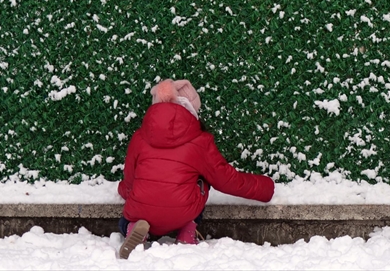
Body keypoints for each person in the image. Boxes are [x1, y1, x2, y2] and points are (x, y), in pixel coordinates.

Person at [116, 78, 274, 259]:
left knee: (126, 218)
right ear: (191, 109)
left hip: (142, 210)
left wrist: (125, 192)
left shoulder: (139, 137)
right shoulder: (200, 140)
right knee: (203, 180)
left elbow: (130, 176)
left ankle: (133, 229)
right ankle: (187, 231)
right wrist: (266, 188)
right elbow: (226, 179)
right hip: (183, 211)